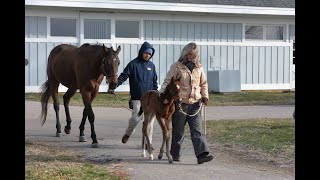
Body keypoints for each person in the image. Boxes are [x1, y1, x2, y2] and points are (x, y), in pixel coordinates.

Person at [159, 42, 214, 164]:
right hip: (180, 104)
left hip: (195, 104)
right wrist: (161, 93)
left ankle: (202, 155)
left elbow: (203, 84)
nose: (191, 56)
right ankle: (175, 154)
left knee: (197, 130)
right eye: (188, 53)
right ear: (185, 53)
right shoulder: (177, 67)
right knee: (178, 131)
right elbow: (167, 81)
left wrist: (205, 96)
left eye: (193, 54)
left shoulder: (199, 67)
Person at [112, 41, 158, 148]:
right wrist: (114, 86)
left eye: (149, 54)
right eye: (146, 53)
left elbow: (155, 81)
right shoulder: (133, 64)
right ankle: (128, 132)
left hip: (150, 100)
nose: (147, 55)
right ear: (142, 52)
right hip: (137, 98)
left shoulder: (152, 66)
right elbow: (123, 76)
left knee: (150, 122)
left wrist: (156, 94)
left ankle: (148, 143)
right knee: (136, 119)